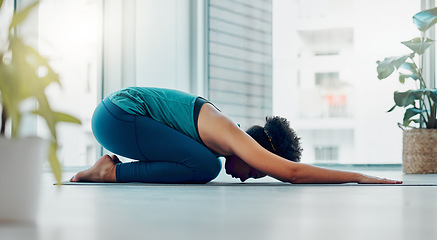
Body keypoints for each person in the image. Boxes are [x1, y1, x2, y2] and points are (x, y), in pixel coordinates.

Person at [71, 87, 402, 184]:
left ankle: (110, 169)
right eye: (257, 172)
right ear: (255, 151)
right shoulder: (232, 135)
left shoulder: (220, 136)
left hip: (116, 117)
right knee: (205, 167)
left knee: (202, 163)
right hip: (117, 117)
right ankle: (109, 172)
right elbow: (293, 173)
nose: (246, 179)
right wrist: (357, 176)